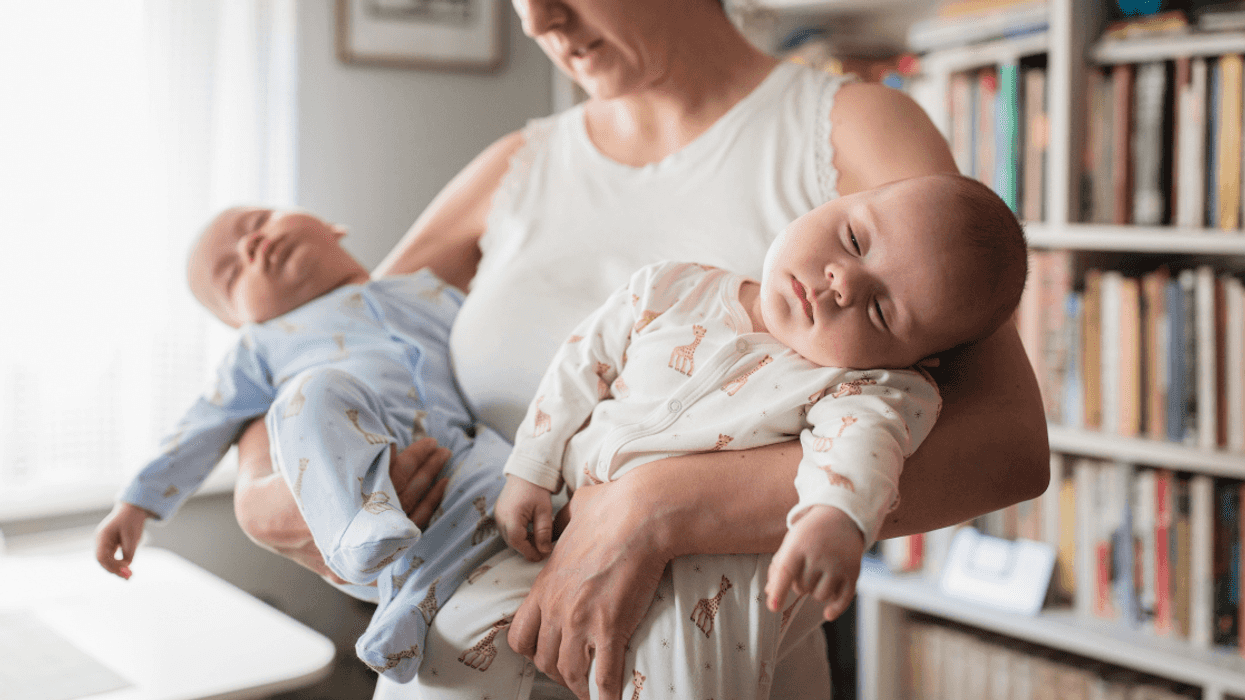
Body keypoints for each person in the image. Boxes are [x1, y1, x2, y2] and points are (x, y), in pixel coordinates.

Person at [232, 0, 1050, 698]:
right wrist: (261, 488)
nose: (536, 18)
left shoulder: (850, 127)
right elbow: (325, 338)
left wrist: (652, 507)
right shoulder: (514, 166)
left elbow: (1006, 449)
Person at [432, 173, 1026, 697]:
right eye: (853, 240)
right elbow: (579, 368)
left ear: (918, 360)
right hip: (558, 521)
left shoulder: (867, 386)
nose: (843, 281)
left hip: (702, 585)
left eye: (879, 313)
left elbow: (862, 451)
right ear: (837, 200)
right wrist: (531, 468)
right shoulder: (670, 289)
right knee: (453, 641)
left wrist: (835, 520)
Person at [93, 207, 510, 683]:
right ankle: (358, 527)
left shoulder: (426, 291)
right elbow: (203, 422)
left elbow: (494, 350)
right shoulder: (262, 346)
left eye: (255, 224)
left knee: (504, 469)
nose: (250, 246)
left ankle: (403, 618)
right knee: (314, 393)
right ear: (240, 320)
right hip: (359, 471)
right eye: (232, 275)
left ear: (332, 225)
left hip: (455, 461)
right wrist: (135, 504)